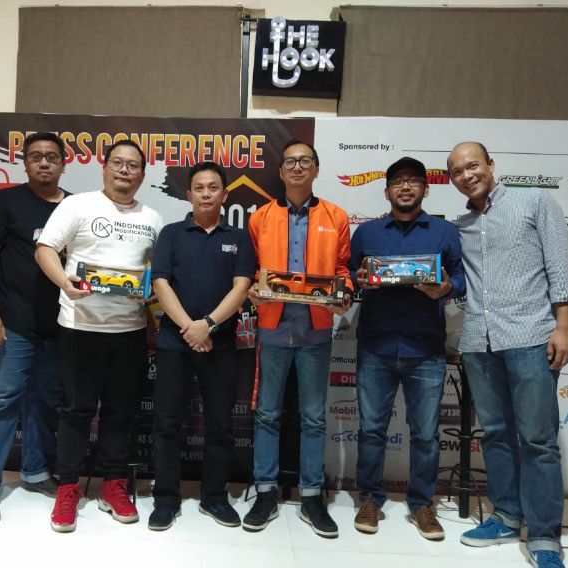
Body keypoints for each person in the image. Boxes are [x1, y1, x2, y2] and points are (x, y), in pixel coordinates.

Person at [447, 142, 568, 568]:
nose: (467, 175)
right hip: (479, 341)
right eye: (457, 172)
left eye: (473, 165)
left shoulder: (534, 202)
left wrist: (564, 327)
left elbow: (561, 267)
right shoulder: (461, 224)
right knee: (496, 434)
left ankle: (544, 537)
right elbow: (458, 280)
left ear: (491, 165)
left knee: (538, 440)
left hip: (531, 337)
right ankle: (506, 515)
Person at [35, 139, 163, 533]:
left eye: (133, 165)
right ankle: (68, 489)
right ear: (104, 167)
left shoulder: (153, 218)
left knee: (120, 413)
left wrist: (151, 296)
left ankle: (113, 485)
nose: (125, 170)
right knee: (76, 412)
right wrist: (65, 282)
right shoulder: (77, 206)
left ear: (143, 174)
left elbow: (156, 274)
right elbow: (45, 249)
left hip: (129, 330)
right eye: (118, 163)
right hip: (79, 327)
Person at [349, 157, 465, 540]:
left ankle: (421, 504)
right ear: (387, 191)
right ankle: (369, 498)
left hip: (425, 348)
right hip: (376, 345)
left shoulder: (445, 231)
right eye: (398, 181)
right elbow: (348, 274)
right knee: (371, 430)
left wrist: (446, 288)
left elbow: (461, 278)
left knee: (426, 435)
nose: (405, 186)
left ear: (425, 189)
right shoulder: (367, 233)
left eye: (413, 180)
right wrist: (357, 280)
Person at [242, 139, 352, 538]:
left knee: (314, 418)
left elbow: (342, 269)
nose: (298, 167)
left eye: (306, 161)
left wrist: (344, 293)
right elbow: (252, 270)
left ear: (316, 169)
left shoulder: (336, 216)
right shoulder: (261, 217)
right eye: (290, 161)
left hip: (315, 331)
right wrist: (253, 291)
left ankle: (311, 496)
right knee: (267, 415)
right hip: (272, 328)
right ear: (281, 170)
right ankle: (265, 493)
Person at [0, 132, 70, 522]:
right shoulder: (4, 202)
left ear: (64, 163)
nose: (44, 163)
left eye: (52, 156)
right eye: (36, 156)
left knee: (45, 402)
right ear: (25, 163)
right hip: (12, 323)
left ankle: (37, 472)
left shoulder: (75, 207)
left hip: (60, 326)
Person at [147, 162, 255, 531]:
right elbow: (160, 284)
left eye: (213, 187)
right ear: (189, 194)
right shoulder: (171, 233)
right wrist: (190, 328)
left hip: (220, 344)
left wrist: (207, 325)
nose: (206, 193)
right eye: (199, 187)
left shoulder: (239, 237)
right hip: (174, 342)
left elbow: (242, 287)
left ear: (224, 194)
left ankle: (214, 498)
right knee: (167, 424)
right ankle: (165, 499)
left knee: (220, 425)